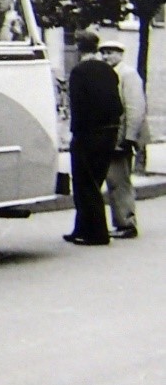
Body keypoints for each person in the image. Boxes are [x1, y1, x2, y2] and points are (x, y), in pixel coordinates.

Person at [64, 29, 123, 246]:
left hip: (87, 134)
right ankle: (81, 228)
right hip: (109, 132)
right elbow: (117, 105)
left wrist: (75, 133)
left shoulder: (79, 72)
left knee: (84, 183)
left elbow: (77, 106)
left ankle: (97, 233)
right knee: (94, 181)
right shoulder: (108, 71)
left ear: (79, 47)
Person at [100, 39, 149, 239]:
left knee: (120, 180)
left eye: (110, 52)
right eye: (103, 53)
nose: (106, 57)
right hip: (113, 135)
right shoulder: (109, 74)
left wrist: (129, 137)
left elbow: (134, 108)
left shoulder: (127, 74)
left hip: (122, 136)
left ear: (121, 54)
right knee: (115, 180)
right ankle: (121, 221)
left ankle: (127, 222)